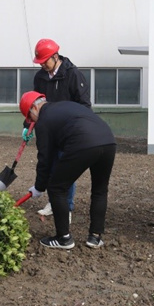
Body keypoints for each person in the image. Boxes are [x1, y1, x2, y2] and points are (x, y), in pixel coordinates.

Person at [20, 91, 116, 250]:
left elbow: (45, 158)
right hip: (108, 141)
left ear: (34, 108)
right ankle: (95, 237)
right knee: (100, 190)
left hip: (83, 142)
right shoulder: (64, 106)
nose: (32, 122)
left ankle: (63, 238)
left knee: (56, 188)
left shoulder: (43, 121)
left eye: (30, 118)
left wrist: (39, 187)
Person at [28, 38, 91, 217]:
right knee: (49, 164)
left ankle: (66, 207)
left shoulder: (73, 75)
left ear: (55, 57)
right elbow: (34, 103)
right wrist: (29, 125)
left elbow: (84, 104)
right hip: (48, 129)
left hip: (68, 131)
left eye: (45, 61)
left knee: (65, 169)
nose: (42, 66)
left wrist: (79, 128)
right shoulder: (40, 77)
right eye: (39, 63)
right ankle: (53, 202)